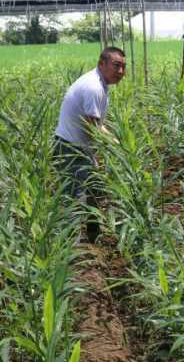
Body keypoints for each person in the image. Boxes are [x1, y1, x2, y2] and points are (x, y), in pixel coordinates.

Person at [54, 46, 126, 243]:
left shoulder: (100, 83)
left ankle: (93, 237)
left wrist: (116, 143)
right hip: (70, 148)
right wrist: (113, 148)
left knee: (95, 190)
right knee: (75, 198)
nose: (121, 72)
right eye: (116, 66)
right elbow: (92, 129)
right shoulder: (93, 87)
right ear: (101, 63)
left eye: (123, 67)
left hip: (80, 147)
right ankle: (73, 251)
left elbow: (95, 126)